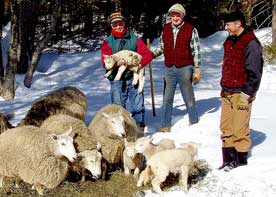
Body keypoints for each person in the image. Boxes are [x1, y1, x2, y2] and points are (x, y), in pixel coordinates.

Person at [219, 11, 263, 171]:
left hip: (241, 93)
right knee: (226, 128)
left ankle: (240, 162)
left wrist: (247, 95)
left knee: (239, 129)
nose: (226, 27)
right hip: (227, 91)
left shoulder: (251, 43)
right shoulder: (230, 40)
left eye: (228, 24)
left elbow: (255, 72)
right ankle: (228, 160)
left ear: (238, 24)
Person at [152, 3, 201, 132]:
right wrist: (152, 54)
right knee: (167, 98)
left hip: (185, 68)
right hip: (169, 68)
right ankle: (165, 125)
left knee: (188, 96)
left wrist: (197, 69)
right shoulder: (166, 29)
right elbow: (161, 46)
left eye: (177, 15)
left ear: (182, 16)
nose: (175, 18)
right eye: (173, 15)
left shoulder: (191, 29)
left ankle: (194, 121)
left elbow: (196, 51)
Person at [101, 12, 153, 133]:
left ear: (124, 24)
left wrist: (138, 65)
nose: (118, 27)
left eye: (120, 24)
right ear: (111, 26)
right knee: (118, 106)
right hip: (116, 80)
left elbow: (147, 55)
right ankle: (121, 129)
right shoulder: (108, 42)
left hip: (133, 76)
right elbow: (105, 62)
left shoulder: (135, 40)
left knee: (138, 106)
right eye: (115, 24)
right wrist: (115, 64)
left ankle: (139, 128)